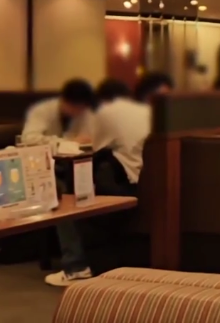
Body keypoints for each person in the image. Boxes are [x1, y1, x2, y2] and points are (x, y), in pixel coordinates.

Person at [45, 72, 174, 287]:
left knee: (63, 192)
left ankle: (76, 266)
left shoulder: (107, 113)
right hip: (156, 187)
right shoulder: (147, 111)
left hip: (130, 190)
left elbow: (89, 147)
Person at [21, 79, 96, 146]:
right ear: (63, 100)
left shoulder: (86, 112)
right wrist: (67, 142)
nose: (79, 111)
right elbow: (28, 138)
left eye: (83, 108)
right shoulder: (42, 110)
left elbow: (90, 137)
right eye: (76, 107)